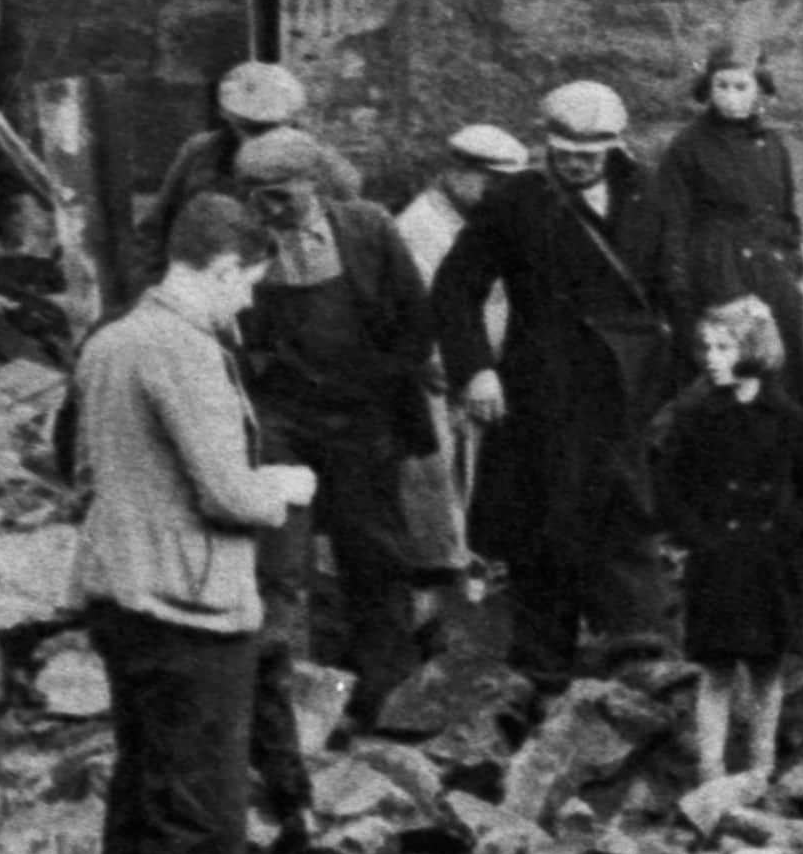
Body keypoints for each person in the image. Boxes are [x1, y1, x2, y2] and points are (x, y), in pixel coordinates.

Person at [76, 195, 312, 854]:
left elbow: (77, 466)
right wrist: (282, 486)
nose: (247, 301)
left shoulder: (108, 341)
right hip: (190, 599)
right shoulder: (183, 349)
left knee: (144, 785)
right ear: (218, 268)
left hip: (121, 590)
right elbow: (227, 494)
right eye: (246, 282)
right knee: (202, 796)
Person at [448, 80, 673, 684]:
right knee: (541, 531)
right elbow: (455, 291)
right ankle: (542, 677)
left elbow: (675, 286)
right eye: (565, 151)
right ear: (546, 144)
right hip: (540, 392)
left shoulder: (649, 195)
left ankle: (638, 662)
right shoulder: (516, 201)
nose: (576, 163)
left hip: (626, 391)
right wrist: (477, 369)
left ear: (615, 147)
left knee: (627, 519)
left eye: (591, 153)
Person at [228, 127, 444, 742]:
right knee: (283, 560)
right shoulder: (243, 246)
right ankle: (288, 707)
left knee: (374, 551)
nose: (267, 210)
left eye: (280, 196)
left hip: (363, 414)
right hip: (283, 417)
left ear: (314, 185)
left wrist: (384, 378)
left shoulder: (369, 229)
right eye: (255, 197)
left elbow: (415, 315)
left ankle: (389, 695)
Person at [652, 297, 803, 823]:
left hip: (770, 562)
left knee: (766, 670)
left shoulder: (790, 419)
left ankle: (761, 771)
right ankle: (710, 772)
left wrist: (786, 533)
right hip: (716, 559)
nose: (711, 357)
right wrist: (697, 536)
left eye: (724, 347)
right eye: (706, 347)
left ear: (753, 350)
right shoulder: (694, 417)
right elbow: (669, 484)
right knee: (714, 670)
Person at [399, 116, 535, 590]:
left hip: (486, 369)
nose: (498, 191)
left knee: (481, 474)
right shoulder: (420, 227)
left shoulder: (485, 219)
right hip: (441, 376)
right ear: (458, 172)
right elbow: (417, 307)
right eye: (490, 180)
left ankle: (479, 564)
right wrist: (444, 362)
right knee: (445, 481)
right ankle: (448, 575)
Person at [650, 54, 803, 342]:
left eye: (741, 87)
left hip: (772, 269)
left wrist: (793, 264)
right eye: (721, 86)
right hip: (718, 272)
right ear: (708, 90)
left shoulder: (773, 145)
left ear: (758, 91)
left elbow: (787, 214)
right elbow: (672, 223)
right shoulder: (688, 146)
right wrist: (679, 290)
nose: (730, 97)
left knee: (783, 358)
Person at [132, 57, 309, 294]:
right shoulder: (201, 151)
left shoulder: (309, 158)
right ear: (226, 115)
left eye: (268, 127)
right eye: (248, 126)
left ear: (290, 121)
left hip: (279, 287)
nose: (255, 137)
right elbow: (155, 227)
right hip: (209, 284)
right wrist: (157, 288)